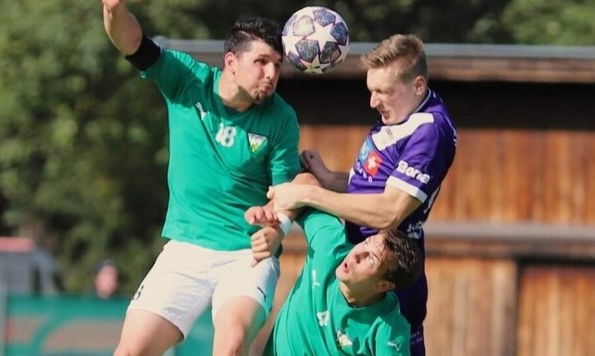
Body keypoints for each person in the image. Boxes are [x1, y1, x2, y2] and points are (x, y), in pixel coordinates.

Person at [102, 1, 301, 355]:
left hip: (246, 255)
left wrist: (276, 228)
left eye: (277, 65)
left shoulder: (282, 118)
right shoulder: (187, 80)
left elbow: (285, 193)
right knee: (130, 352)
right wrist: (115, 9)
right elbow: (132, 42)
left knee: (231, 345)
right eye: (261, 62)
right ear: (231, 63)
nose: (272, 74)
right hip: (186, 249)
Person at [269, 34, 457, 355]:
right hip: (357, 260)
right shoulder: (403, 113)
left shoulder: (430, 132)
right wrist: (329, 178)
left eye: (382, 92)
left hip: (385, 271)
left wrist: (308, 196)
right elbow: (377, 186)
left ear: (418, 85)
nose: (373, 102)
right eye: (371, 90)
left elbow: (389, 212)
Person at [245, 185, 423, 355]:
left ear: (383, 285)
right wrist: (278, 227)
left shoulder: (388, 329)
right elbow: (304, 183)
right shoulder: (330, 245)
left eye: (371, 258)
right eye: (366, 243)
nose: (356, 254)